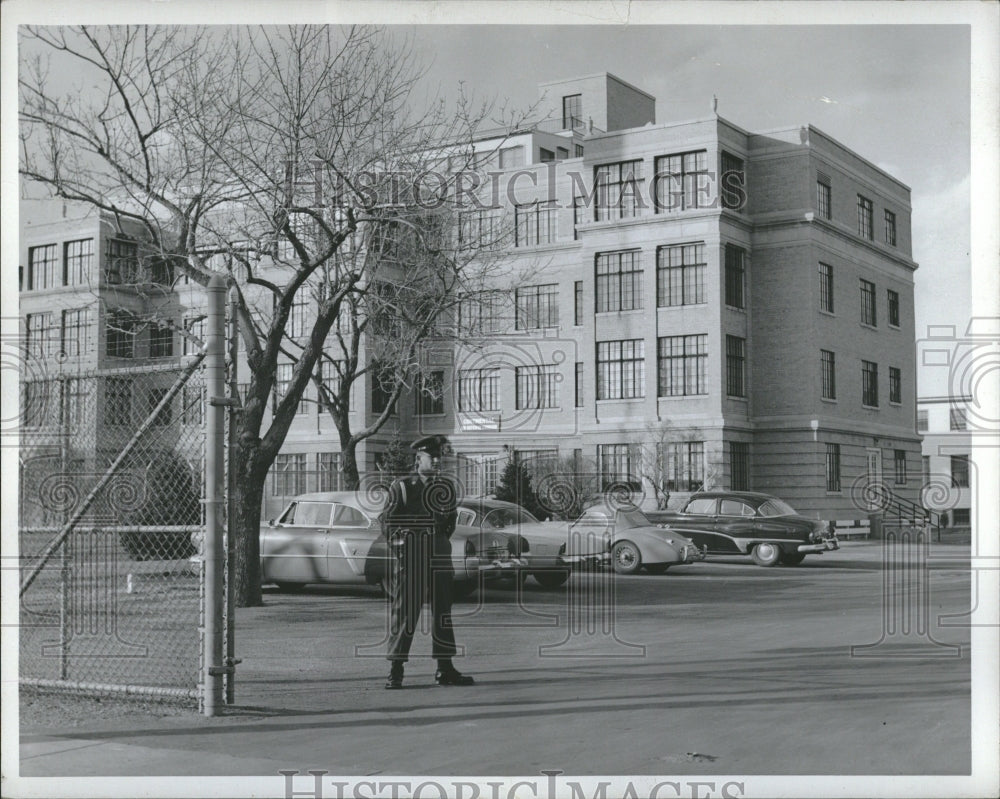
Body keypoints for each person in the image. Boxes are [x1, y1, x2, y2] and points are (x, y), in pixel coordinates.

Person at [382, 434, 474, 689]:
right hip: (412, 557)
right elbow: (387, 523)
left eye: (439, 457)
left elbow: (450, 520)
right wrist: (403, 548)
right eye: (431, 457)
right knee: (405, 612)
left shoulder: (445, 486)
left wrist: (439, 544)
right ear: (418, 459)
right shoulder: (402, 486)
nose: (436, 461)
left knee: (442, 612)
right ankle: (396, 669)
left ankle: (445, 668)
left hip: (439, 555)